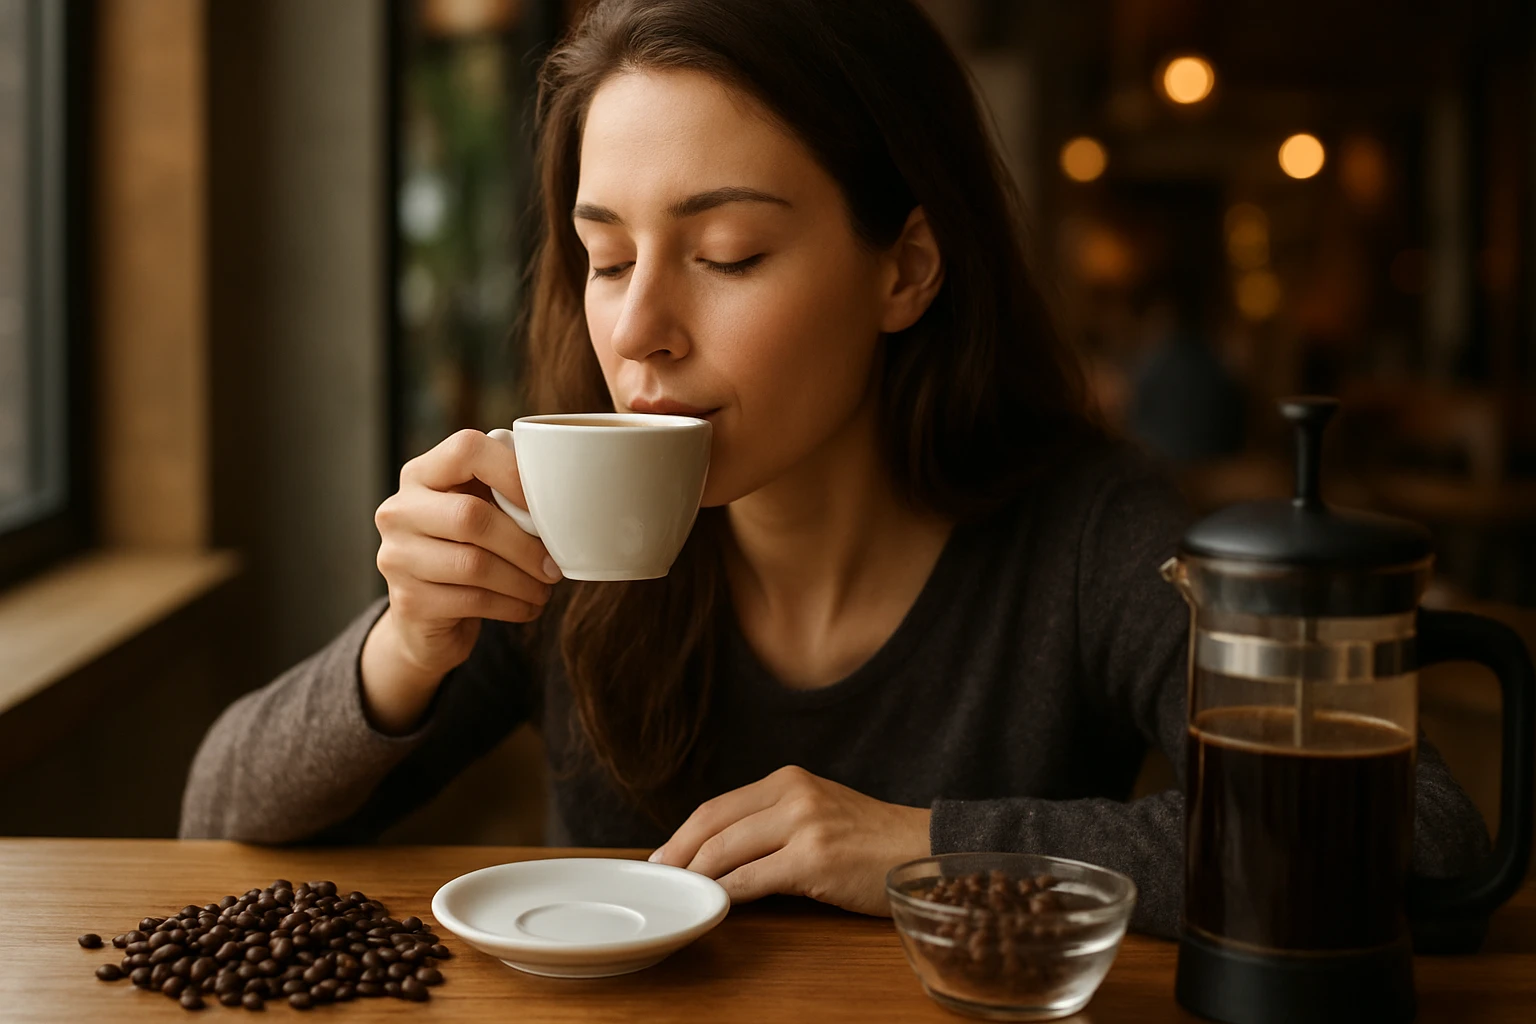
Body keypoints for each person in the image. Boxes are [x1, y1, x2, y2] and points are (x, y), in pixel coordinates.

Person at [181, 0, 1487, 936]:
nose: (637, 331)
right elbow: (215, 816)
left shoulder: (1081, 530)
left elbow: (1415, 833)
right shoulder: (555, 527)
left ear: (905, 269)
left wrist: (930, 849)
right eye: (607, 254)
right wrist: (402, 649)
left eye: (729, 251)